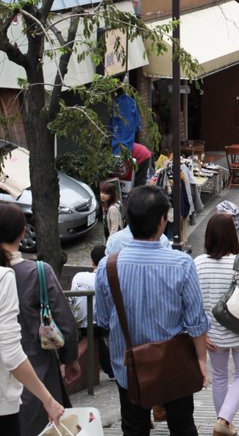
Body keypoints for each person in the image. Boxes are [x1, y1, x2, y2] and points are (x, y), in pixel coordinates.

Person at [94, 185, 209, 436]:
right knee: (182, 426)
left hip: (129, 365)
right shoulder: (181, 264)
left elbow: (101, 320)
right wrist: (201, 359)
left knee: (134, 428)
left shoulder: (107, 266)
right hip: (174, 362)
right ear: (161, 221)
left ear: (129, 219)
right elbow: (196, 321)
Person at [194, 213, 239, 436]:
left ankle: (224, 424)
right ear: (232, 236)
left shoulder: (197, 263)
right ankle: (224, 420)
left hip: (213, 335)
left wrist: (200, 334)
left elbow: (194, 302)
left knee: (219, 377)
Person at [0, 211, 66, 436]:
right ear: (22, 233)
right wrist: (49, 400)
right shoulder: (8, 276)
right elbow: (9, 352)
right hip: (17, 384)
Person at [70, 245, 113, 378]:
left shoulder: (79, 276)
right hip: (97, 324)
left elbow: (72, 298)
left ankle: (111, 370)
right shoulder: (105, 278)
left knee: (95, 338)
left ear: (92, 261)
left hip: (78, 321)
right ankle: (113, 370)